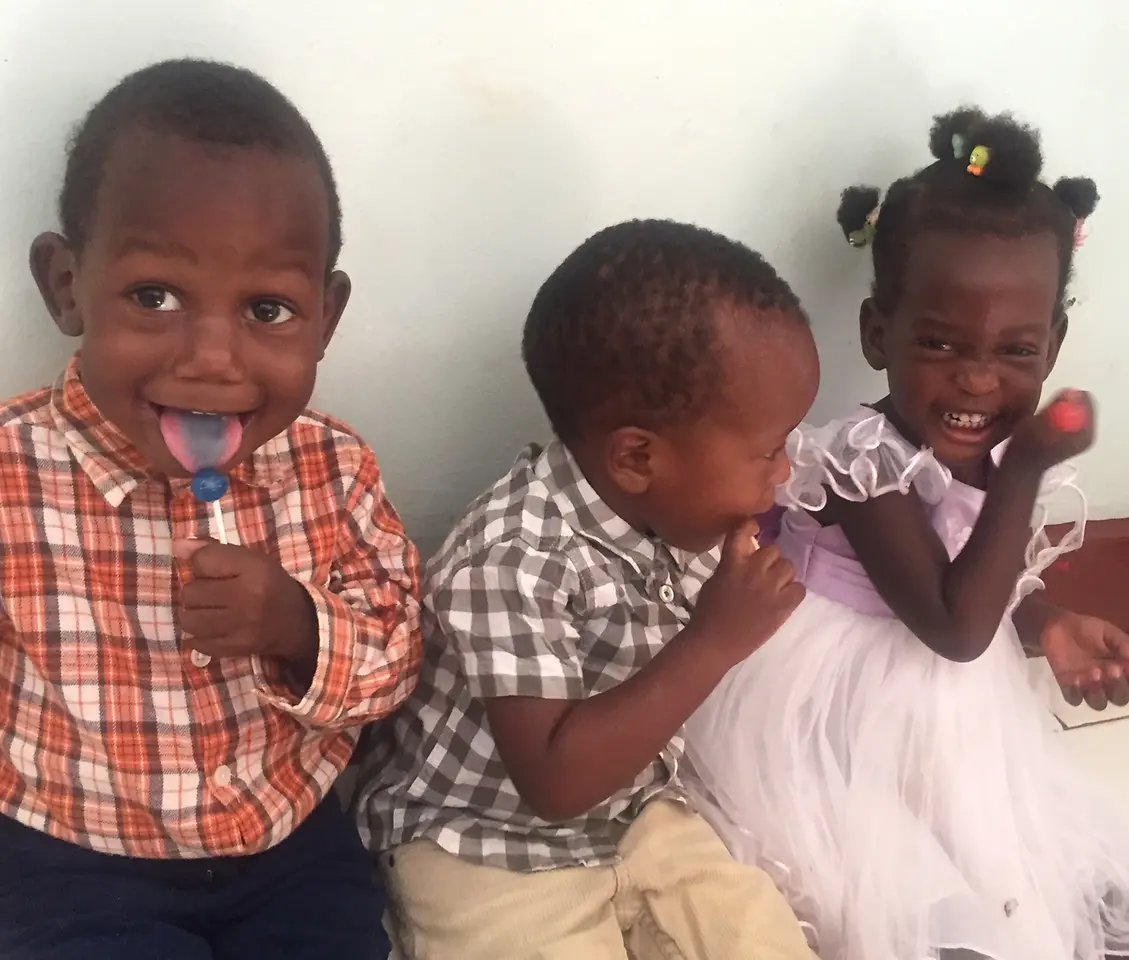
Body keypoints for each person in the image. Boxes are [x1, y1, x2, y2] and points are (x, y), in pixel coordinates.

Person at [684, 107, 1129, 960]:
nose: (975, 377)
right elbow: (955, 625)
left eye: (1014, 351)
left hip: (946, 709)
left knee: (1011, 854)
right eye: (937, 341)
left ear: (1053, 344)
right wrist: (1028, 465)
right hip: (830, 703)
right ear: (875, 332)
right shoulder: (861, 462)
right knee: (891, 884)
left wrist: (1046, 625)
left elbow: (989, 580)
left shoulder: (995, 446)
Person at [0, 59, 421, 959]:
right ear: (68, 285)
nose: (212, 359)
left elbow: (398, 655)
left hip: (290, 844)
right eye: (154, 297)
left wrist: (296, 625)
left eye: (267, 309)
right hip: (71, 854)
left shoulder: (334, 467)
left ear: (325, 316)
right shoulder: (10, 473)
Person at [355, 219, 821, 959]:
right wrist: (714, 639)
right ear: (638, 457)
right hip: (483, 841)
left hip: (635, 810)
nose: (782, 473)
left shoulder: (680, 515)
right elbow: (554, 782)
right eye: (767, 450)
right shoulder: (510, 560)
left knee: (755, 933)